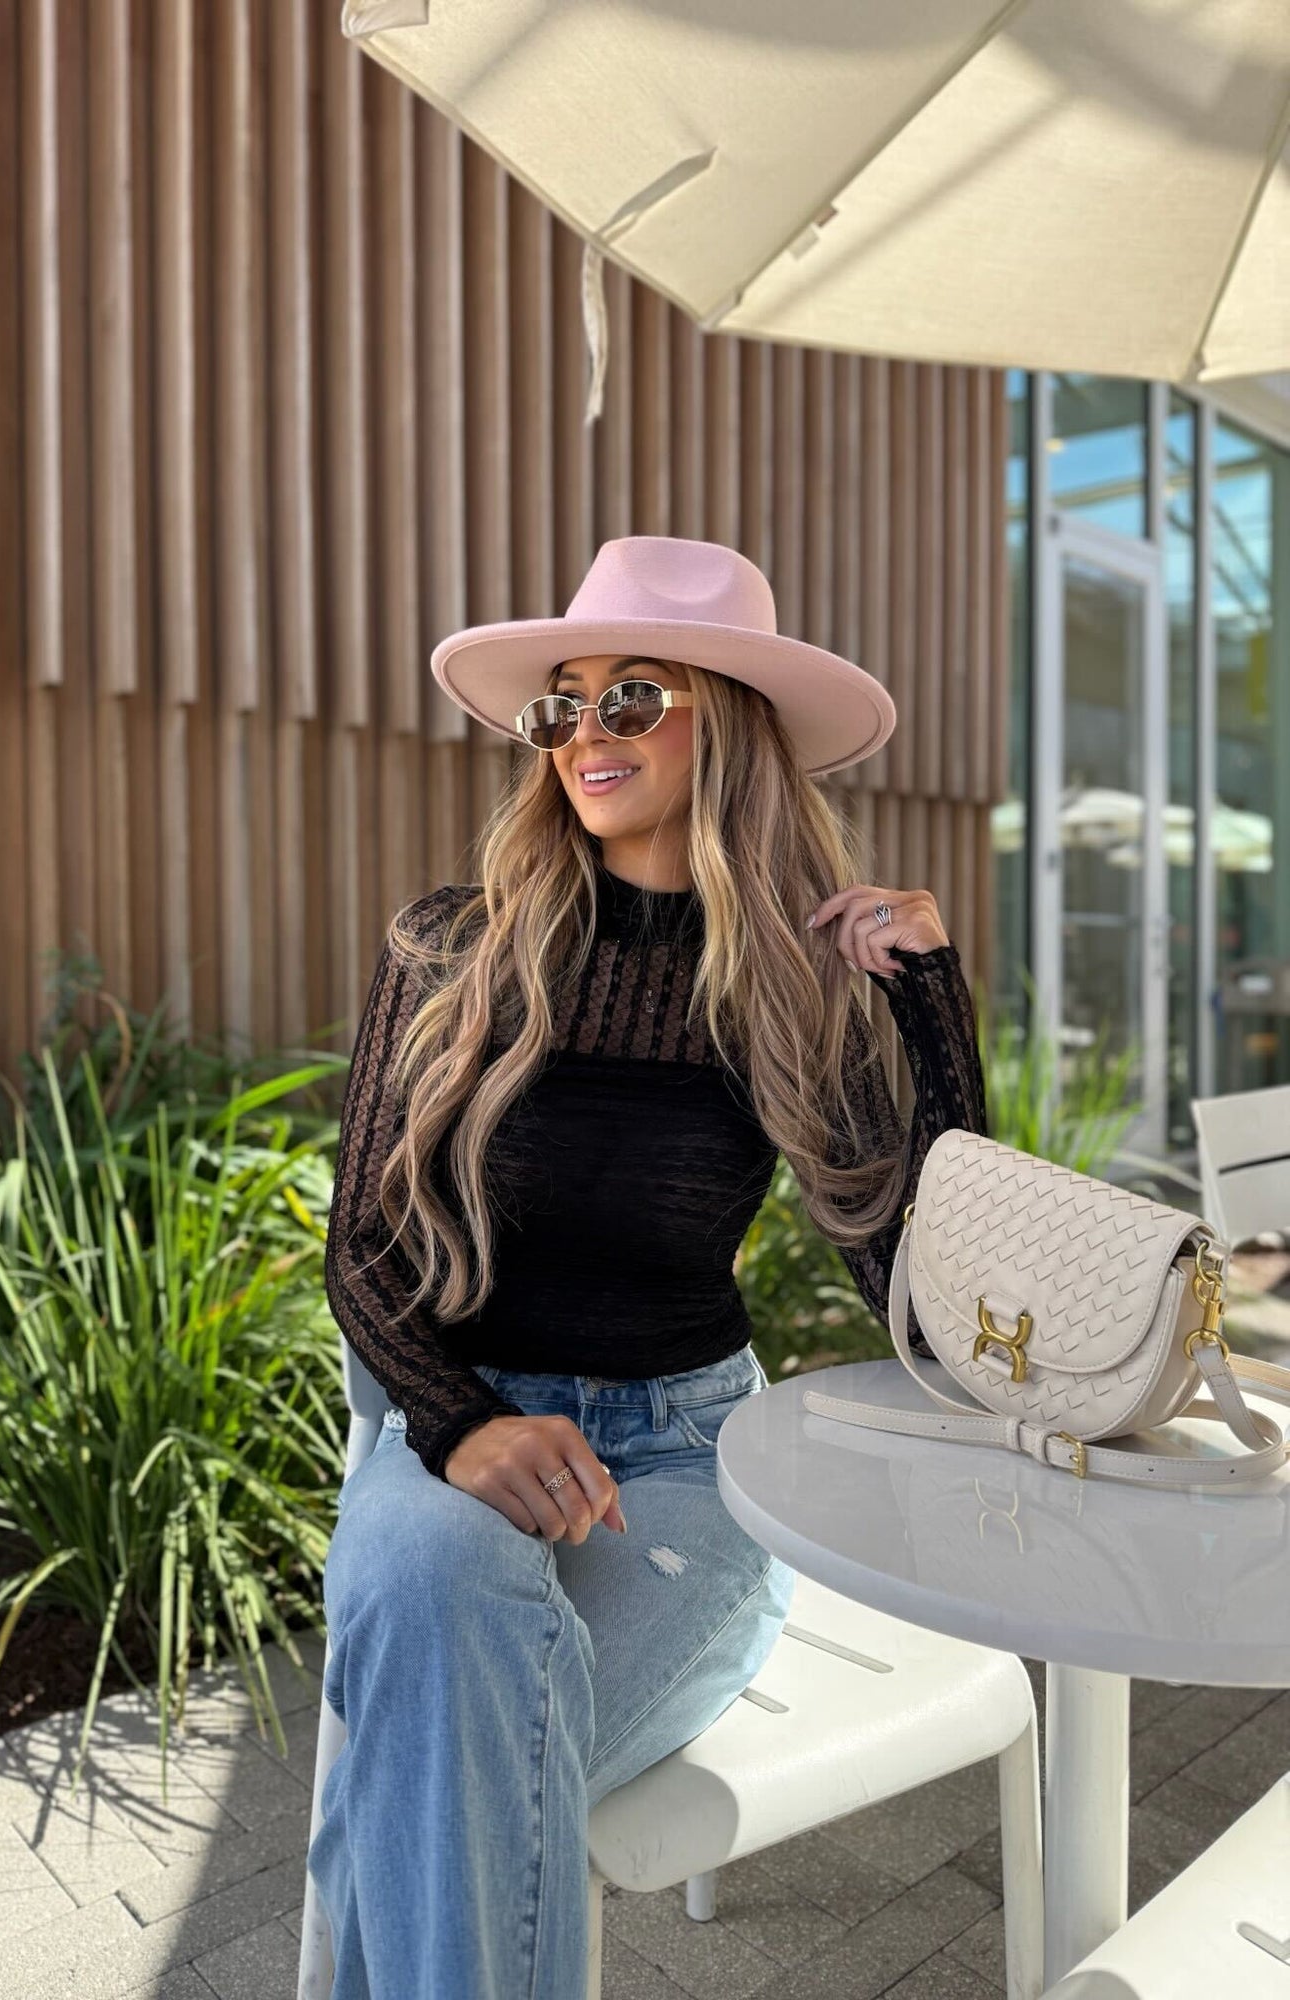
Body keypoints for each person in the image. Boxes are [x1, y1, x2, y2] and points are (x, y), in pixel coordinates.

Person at [307, 535, 987, 1999]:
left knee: (436, 1762)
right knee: (441, 1634)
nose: (582, 737)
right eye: (560, 707)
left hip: (685, 1461)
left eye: (632, 698)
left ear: (726, 720)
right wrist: (465, 1422)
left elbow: (934, 1304)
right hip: (455, 1434)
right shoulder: (452, 946)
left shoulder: (794, 991)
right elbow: (361, 1242)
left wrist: (931, 1007)